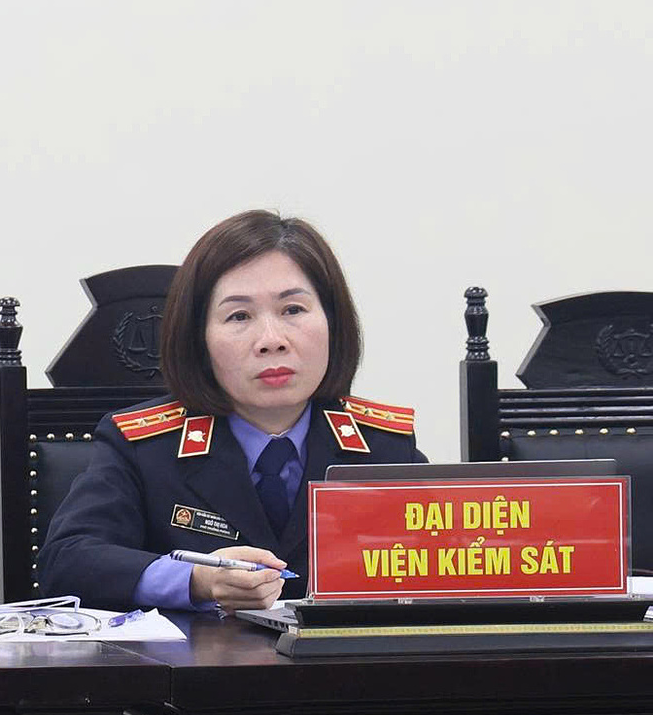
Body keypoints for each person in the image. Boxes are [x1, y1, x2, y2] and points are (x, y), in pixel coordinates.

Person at [37, 210, 425, 613]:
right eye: (239, 316)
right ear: (198, 339)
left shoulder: (383, 445)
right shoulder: (145, 447)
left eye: (293, 310)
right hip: (199, 655)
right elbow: (66, 562)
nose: (271, 340)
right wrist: (195, 581)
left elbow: (449, 558)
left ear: (333, 322)